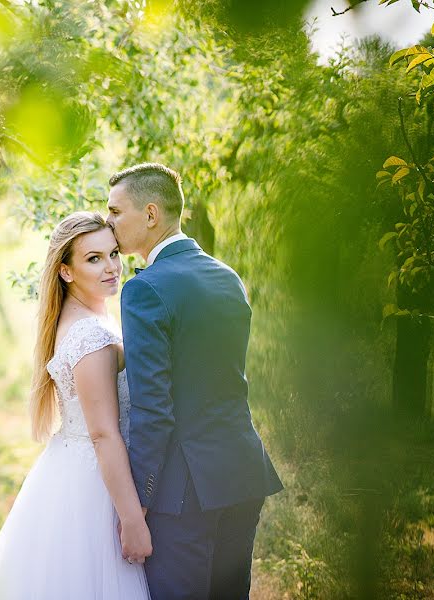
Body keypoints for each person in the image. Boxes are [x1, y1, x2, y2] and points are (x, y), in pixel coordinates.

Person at [106, 163, 283, 599]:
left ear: (150, 215)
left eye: (115, 211)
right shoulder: (227, 278)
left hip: (184, 494)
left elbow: (153, 408)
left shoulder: (145, 289)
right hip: (242, 474)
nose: (108, 223)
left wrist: (138, 504)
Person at [0, 211, 151, 599]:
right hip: (94, 486)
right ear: (66, 272)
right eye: (94, 258)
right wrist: (132, 518)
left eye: (114, 253)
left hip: (66, 469)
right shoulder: (89, 335)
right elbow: (103, 433)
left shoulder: (81, 319)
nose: (111, 267)